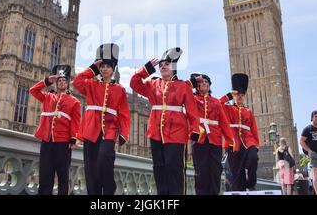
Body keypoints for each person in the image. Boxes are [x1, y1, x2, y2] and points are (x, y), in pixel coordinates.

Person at [130, 47, 201, 195]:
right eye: (161, 65)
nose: (162, 67)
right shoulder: (152, 84)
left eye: (166, 64)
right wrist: (147, 69)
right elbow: (134, 83)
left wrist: (195, 132)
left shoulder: (183, 86)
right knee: (159, 167)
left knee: (174, 167)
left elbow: (192, 112)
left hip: (176, 132)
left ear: (174, 68)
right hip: (156, 132)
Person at [72, 43, 130, 195]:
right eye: (102, 66)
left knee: (105, 159)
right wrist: (92, 68)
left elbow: (124, 113)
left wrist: (123, 134)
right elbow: (77, 82)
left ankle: (109, 189)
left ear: (113, 69)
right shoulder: (91, 84)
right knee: (90, 167)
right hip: (91, 129)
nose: (104, 69)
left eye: (108, 66)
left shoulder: (119, 89)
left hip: (109, 131)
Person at [29, 64, 81, 195]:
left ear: (67, 83)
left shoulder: (74, 101)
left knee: (63, 177)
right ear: (56, 83)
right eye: (59, 80)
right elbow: (33, 90)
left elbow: (75, 122)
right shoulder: (47, 97)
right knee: (45, 175)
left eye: (64, 80)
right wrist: (47, 80)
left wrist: (73, 139)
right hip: (47, 141)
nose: (62, 82)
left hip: (63, 143)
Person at [187, 73, 234, 195]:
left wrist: (230, 140)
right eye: (201, 83)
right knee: (201, 172)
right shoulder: (192, 99)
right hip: (199, 138)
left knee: (215, 171)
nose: (204, 84)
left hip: (215, 139)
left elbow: (224, 122)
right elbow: (184, 88)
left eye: (206, 83)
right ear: (196, 86)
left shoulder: (216, 102)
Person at [219, 73, 260, 191]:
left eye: (242, 95)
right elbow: (217, 103)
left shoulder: (248, 111)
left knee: (253, 158)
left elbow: (254, 129)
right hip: (233, 144)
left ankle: (251, 183)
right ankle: (241, 190)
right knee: (237, 177)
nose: (240, 97)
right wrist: (229, 95)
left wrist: (256, 145)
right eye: (238, 95)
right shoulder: (227, 108)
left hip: (248, 142)